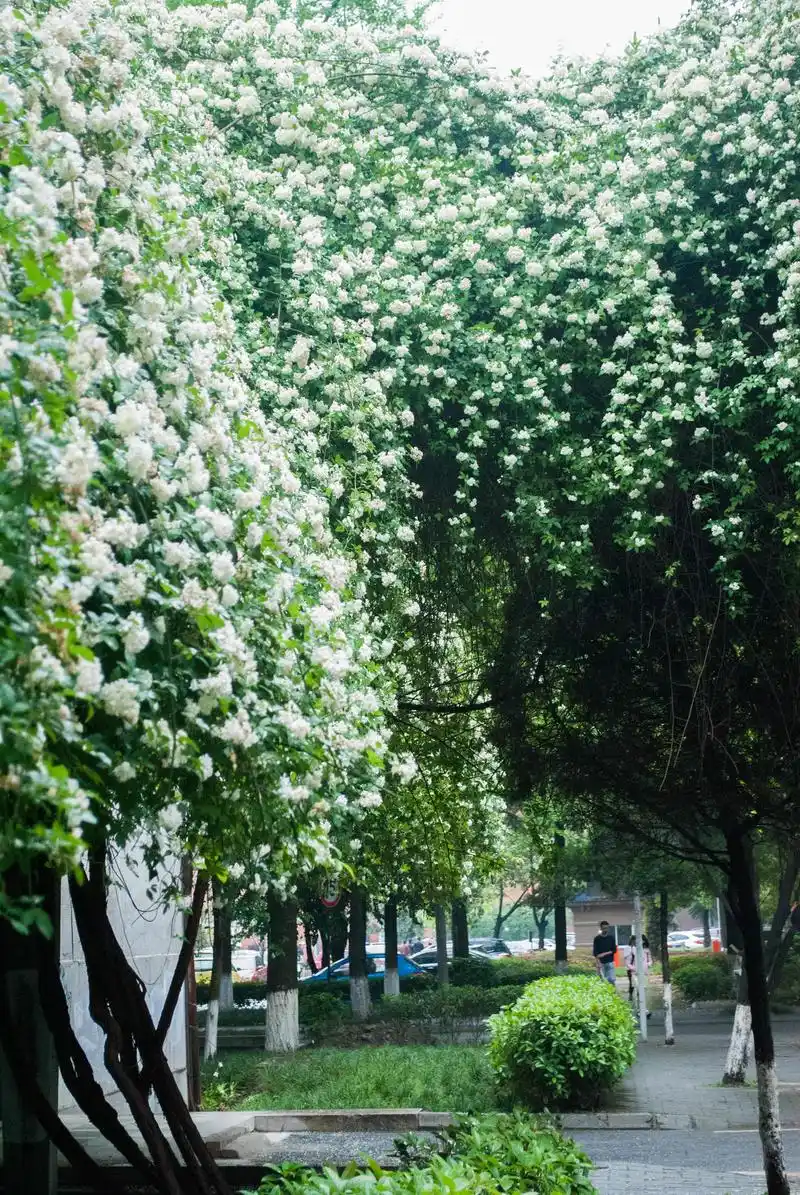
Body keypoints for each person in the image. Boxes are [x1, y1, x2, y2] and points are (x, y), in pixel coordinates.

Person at [592, 920, 617, 986]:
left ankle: (613, 993)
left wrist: (604, 954)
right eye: (604, 928)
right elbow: (595, 952)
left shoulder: (611, 938)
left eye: (606, 928)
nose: (605, 930)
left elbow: (614, 950)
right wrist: (598, 963)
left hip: (610, 961)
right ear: (601, 928)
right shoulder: (597, 939)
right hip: (601, 963)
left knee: (611, 979)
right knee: (603, 980)